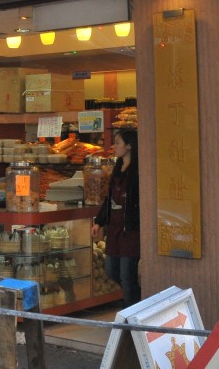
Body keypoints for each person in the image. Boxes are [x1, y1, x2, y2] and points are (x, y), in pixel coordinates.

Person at [92, 129, 140, 307]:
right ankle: (135, 299)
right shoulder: (117, 168)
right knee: (111, 270)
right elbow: (110, 198)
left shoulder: (138, 170)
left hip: (130, 230)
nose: (114, 146)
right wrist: (99, 221)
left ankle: (130, 313)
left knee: (127, 275)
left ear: (129, 145)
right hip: (114, 229)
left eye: (118, 142)